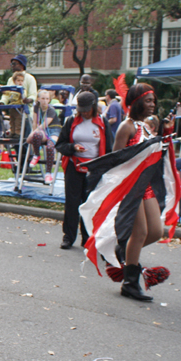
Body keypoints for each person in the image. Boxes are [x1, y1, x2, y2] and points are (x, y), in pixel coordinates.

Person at [112, 83, 172, 301]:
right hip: (130, 186)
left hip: (145, 184)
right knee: (140, 233)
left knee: (156, 231)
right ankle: (129, 283)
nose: (153, 105)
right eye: (148, 100)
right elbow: (115, 160)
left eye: (153, 101)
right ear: (136, 102)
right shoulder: (126, 127)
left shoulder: (146, 128)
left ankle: (127, 255)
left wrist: (166, 133)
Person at [56, 91, 113, 250]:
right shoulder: (71, 121)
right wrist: (73, 147)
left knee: (90, 205)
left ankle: (87, 238)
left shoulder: (102, 122)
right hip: (74, 166)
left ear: (94, 107)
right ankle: (68, 237)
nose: (85, 112)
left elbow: (109, 148)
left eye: (87, 109)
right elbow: (60, 144)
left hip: (94, 169)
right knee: (72, 204)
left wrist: (106, 169)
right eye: (82, 109)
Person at [26, 90, 60, 185]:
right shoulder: (36, 107)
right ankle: (36, 154)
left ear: (49, 100)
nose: (45, 101)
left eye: (47, 99)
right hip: (43, 130)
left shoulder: (51, 110)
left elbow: (44, 125)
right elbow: (35, 122)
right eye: (43, 98)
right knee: (36, 135)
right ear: (38, 99)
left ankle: (48, 172)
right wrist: (33, 133)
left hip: (53, 129)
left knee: (50, 146)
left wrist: (31, 135)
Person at [0, 54, 37, 138]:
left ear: (22, 65)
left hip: (25, 114)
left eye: (14, 64)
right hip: (14, 109)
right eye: (11, 64)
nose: (12, 66)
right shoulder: (11, 79)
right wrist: (2, 102)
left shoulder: (29, 78)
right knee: (15, 137)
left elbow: (33, 95)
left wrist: (28, 100)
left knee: (24, 140)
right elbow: (7, 94)